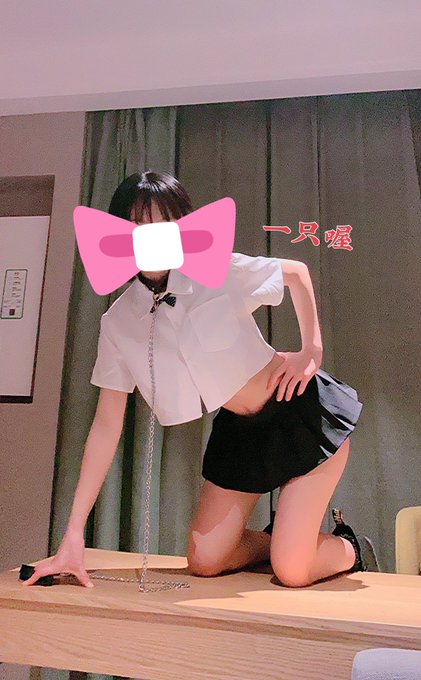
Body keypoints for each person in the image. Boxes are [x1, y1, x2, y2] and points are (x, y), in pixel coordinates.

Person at [23, 170, 379, 589]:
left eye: (164, 223)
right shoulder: (119, 322)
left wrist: (311, 349)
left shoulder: (217, 272)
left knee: (293, 572)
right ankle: (280, 540)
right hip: (238, 434)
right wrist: (73, 534)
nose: (151, 236)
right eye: (138, 225)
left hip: (297, 411)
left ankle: (351, 546)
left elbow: (296, 273)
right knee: (206, 561)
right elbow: (105, 425)